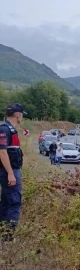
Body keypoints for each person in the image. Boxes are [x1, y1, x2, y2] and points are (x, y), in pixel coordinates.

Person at [0, 103, 26, 240]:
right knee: (14, 202)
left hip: (10, 170)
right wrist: (10, 173)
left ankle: (3, 232)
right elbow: (2, 152)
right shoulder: (4, 129)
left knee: (5, 201)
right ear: (17, 115)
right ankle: (8, 237)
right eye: (21, 114)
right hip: (8, 172)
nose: (22, 117)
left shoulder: (10, 129)